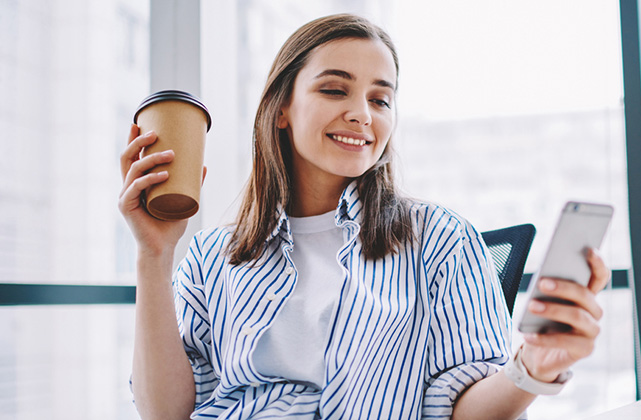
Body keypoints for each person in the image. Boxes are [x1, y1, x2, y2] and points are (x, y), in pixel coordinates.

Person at [119, 13, 609, 420]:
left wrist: (535, 367)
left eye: (380, 99)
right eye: (335, 90)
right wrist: (154, 254)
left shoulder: (439, 239)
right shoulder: (212, 256)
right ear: (281, 108)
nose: (362, 114)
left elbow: (463, 408)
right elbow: (167, 414)